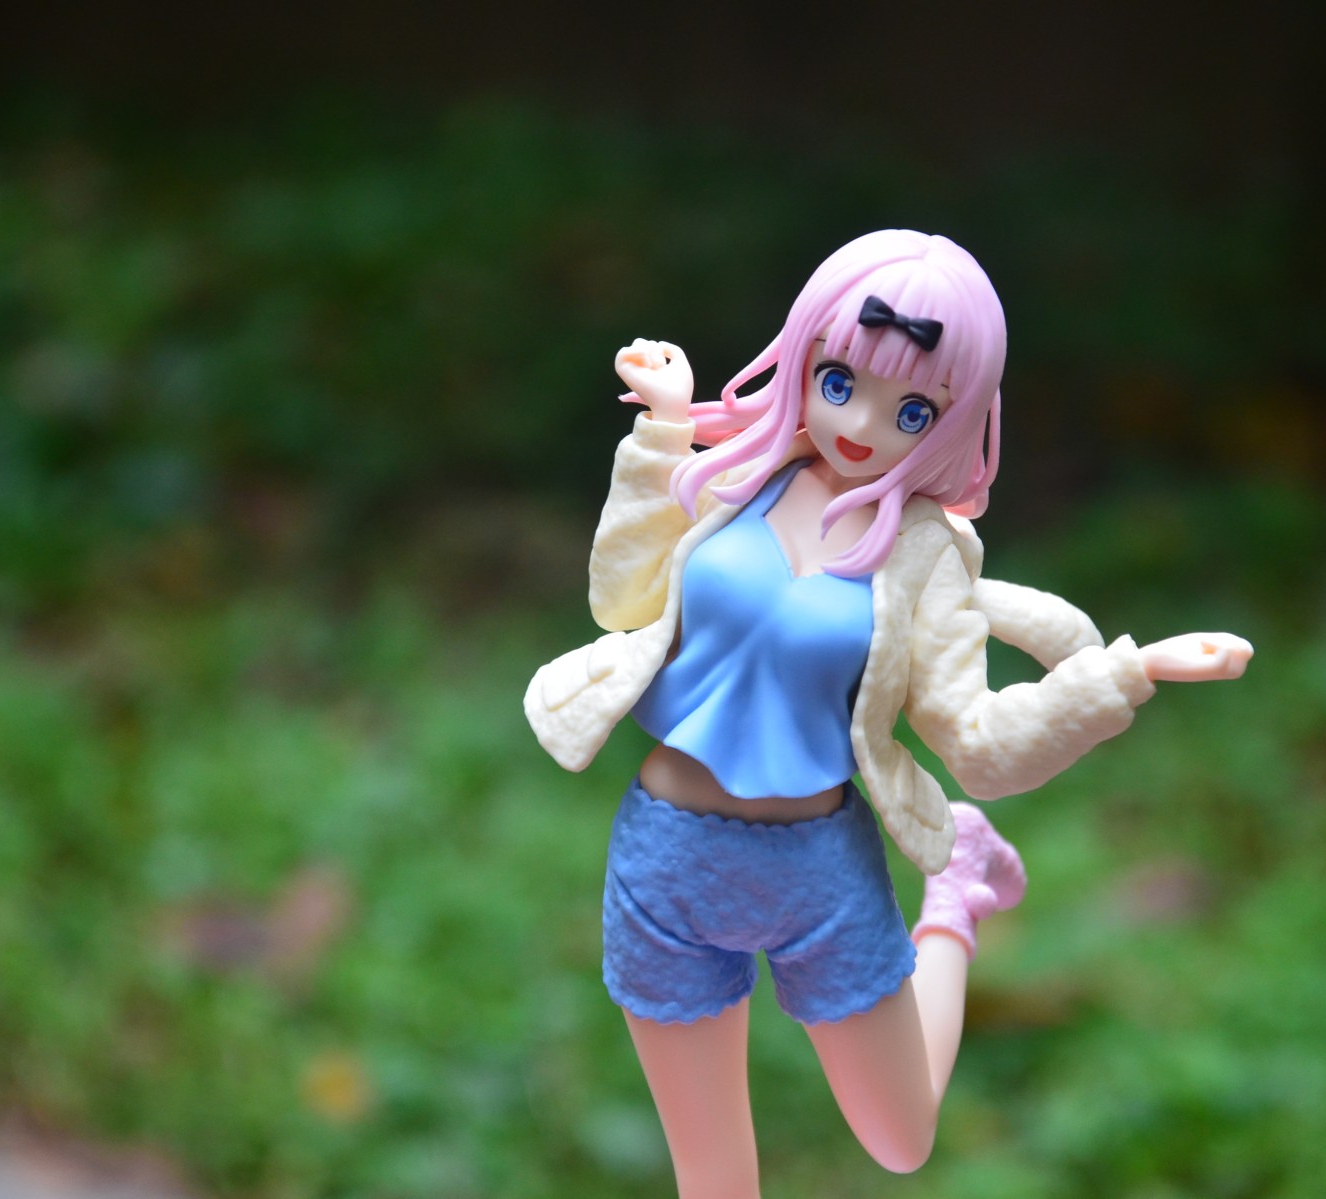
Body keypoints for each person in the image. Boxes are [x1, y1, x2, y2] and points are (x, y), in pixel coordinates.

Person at [525, 229, 1252, 1198]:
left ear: (954, 422)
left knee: (900, 1139)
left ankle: (955, 897)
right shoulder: (734, 474)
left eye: (911, 410)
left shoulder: (922, 554)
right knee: (712, 1175)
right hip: (666, 859)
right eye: (839, 381)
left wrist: (1121, 675)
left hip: (815, 870)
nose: (862, 425)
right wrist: (660, 434)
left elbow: (978, 742)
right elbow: (621, 596)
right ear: (803, 358)